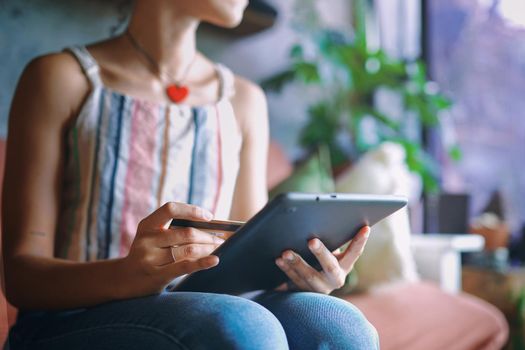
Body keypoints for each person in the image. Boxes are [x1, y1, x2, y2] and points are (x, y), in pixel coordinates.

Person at [3, 0, 379, 349]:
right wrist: (127, 275)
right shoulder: (63, 78)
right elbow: (22, 278)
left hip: (213, 308)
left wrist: (300, 273)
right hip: (71, 321)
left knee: (338, 324)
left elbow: (249, 261)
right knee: (241, 324)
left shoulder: (242, 100)